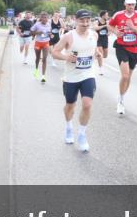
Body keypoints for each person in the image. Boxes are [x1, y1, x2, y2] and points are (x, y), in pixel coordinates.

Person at [51, 9, 103, 152]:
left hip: (88, 74)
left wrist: (97, 54)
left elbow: (92, 50)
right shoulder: (68, 36)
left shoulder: (94, 34)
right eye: (82, 20)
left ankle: (81, 134)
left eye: (88, 20)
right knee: (70, 105)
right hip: (71, 77)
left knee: (87, 104)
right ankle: (69, 127)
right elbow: (54, 52)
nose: (85, 23)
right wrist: (66, 57)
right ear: (76, 20)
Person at [108, 0, 137, 115]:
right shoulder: (118, 15)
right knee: (124, 76)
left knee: (129, 77)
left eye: (133, 4)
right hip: (121, 47)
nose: (131, 6)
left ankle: (122, 97)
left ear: (135, 4)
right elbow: (109, 25)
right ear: (125, 4)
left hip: (134, 49)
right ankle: (120, 100)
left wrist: (133, 28)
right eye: (129, 4)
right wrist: (115, 31)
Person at [30, 12, 53, 82]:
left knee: (44, 59)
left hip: (46, 43)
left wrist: (50, 35)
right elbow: (31, 32)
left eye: (46, 17)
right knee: (37, 58)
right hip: (38, 43)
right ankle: (36, 70)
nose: (44, 19)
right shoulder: (37, 24)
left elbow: (50, 33)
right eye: (43, 17)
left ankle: (43, 77)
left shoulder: (49, 25)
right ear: (41, 18)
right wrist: (38, 33)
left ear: (47, 18)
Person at [94, 10, 110, 76]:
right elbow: (96, 28)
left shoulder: (107, 22)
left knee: (105, 55)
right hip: (98, 40)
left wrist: (109, 32)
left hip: (105, 40)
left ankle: (96, 56)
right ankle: (100, 69)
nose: (108, 16)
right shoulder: (97, 21)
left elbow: (110, 29)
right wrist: (104, 26)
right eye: (106, 15)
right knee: (100, 54)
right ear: (103, 16)